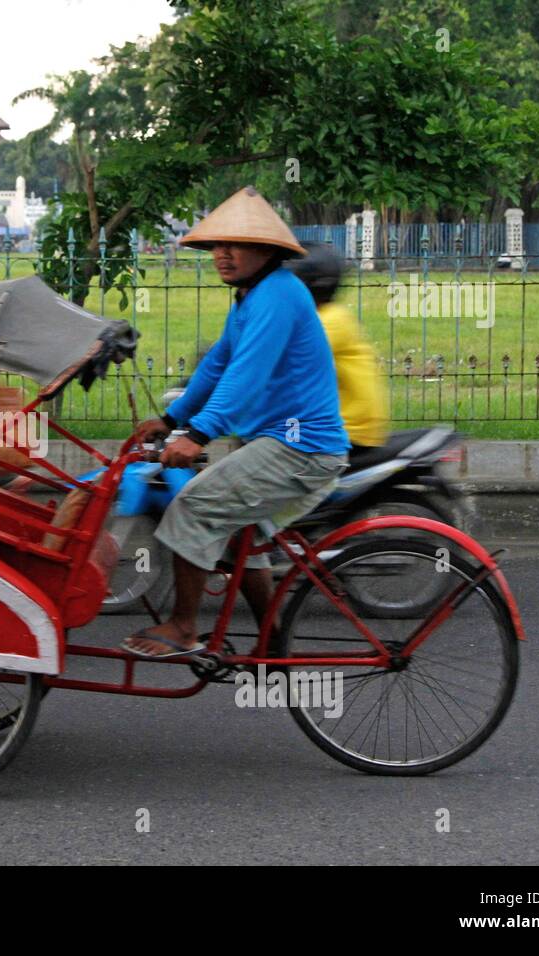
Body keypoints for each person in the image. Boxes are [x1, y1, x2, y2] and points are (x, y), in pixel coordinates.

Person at [123, 187, 349, 658]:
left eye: (236, 245)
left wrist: (199, 433)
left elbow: (246, 375)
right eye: (216, 246)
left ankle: (184, 627)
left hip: (300, 448)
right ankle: (273, 644)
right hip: (278, 443)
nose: (222, 255)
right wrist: (171, 419)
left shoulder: (278, 296)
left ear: (267, 250)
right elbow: (218, 366)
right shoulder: (251, 296)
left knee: (194, 506)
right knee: (241, 536)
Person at [285, 241, 390, 455]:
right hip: (341, 423)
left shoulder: (331, 320)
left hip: (350, 429)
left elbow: (282, 358)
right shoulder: (324, 316)